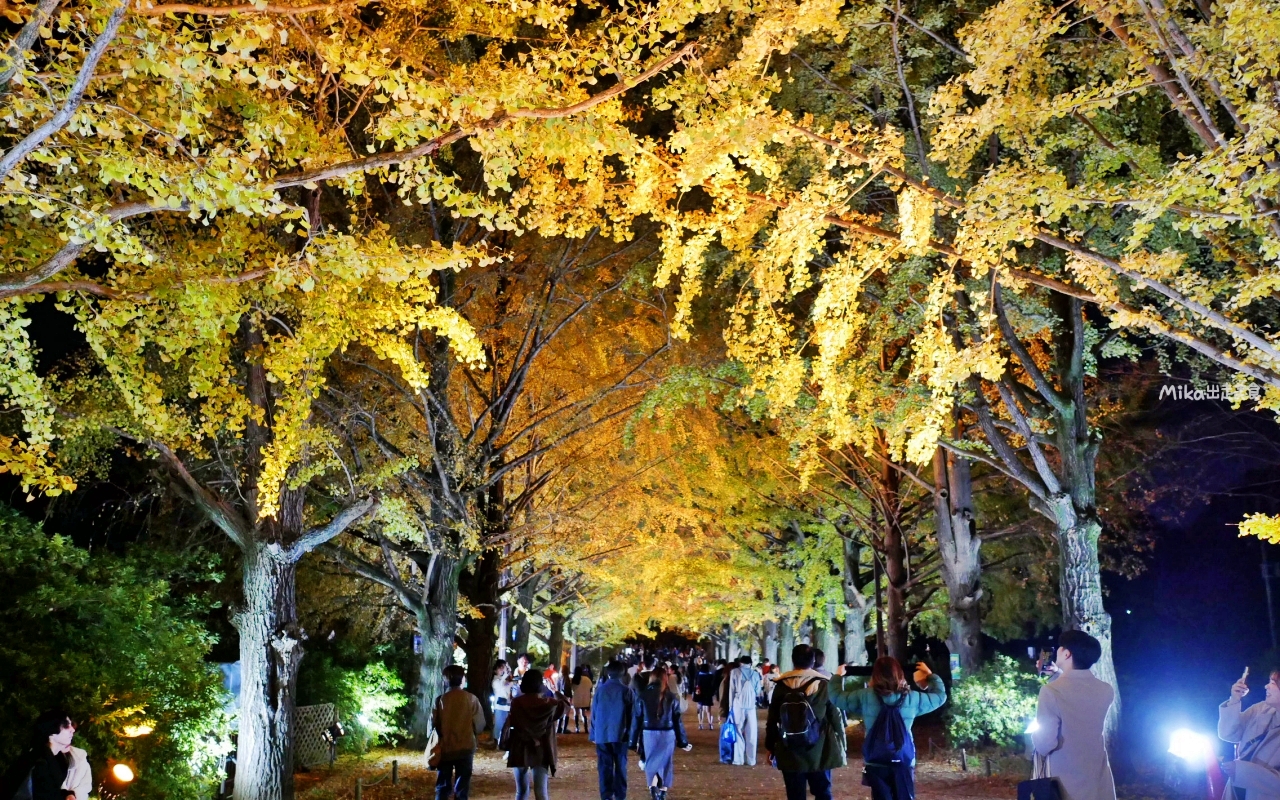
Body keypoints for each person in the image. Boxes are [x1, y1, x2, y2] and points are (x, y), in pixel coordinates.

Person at [830, 657, 945, 800]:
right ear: (899, 673)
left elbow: (837, 697)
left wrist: (837, 677)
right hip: (903, 759)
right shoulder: (912, 698)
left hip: (876, 759)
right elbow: (940, 697)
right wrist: (930, 676)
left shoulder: (865, 696)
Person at [1029, 630, 1116, 800]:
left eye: (1061, 648)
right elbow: (1079, 693)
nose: (1058, 651)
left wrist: (1034, 736)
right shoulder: (1106, 690)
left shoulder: (1050, 692)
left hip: (1064, 780)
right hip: (1097, 774)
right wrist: (1057, 675)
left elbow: (1045, 743)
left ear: (1067, 654)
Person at [765, 645, 847, 800]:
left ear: (793, 660)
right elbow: (835, 717)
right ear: (813, 660)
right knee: (823, 793)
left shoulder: (781, 685)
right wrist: (842, 744)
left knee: (795, 795)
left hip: (789, 748)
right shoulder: (824, 684)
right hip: (820, 749)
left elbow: (773, 719)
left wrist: (770, 746)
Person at [504, 670, 572, 800]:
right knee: (541, 791)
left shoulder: (517, 703)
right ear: (540, 685)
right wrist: (555, 690)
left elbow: (514, 722)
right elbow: (566, 706)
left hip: (520, 746)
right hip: (541, 747)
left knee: (521, 791)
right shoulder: (549, 704)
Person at [0, 710, 92, 800]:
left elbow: (49, 792)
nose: (72, 729)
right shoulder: (38, 764)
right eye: (66, 725)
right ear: (51, 732)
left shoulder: (55, 761)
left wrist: (66, 795)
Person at [631, 665, 691, 800]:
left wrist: (632, 741)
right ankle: (663, 791)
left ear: (651, 678)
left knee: (651, 760)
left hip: (648, 732)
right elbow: (677, 721)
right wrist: (683, 741)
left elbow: (636, 719)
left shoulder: (643, 695)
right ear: (665, 679)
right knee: (666, 762)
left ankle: (652, 787)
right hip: (668, 733)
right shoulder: (671, 696)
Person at [1220, 666, 1280, 797]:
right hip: (1236, 793)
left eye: (1273, 683)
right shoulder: (1260, 709)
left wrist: (1241, 771)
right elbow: (1228, 734)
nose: (1266, 686)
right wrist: (1234, 700)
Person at [433, 665, 486, 800]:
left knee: (443, 786)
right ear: (462, 679)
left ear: (445, 680)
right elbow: (480, 725)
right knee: (462, 787)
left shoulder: (440, 700)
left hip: (445, 748)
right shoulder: (471, 699)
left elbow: (431, 726)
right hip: (466, 747)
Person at [591, 661, 636, 800]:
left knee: (605, 767)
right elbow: (632, 715)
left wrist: (593, 733)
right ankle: (620, 795)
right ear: (623, 673)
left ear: (608, 673)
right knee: (621, 766)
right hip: (620, 734)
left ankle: (606, 795)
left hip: (602, 734)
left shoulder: (600, 690)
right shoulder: (626, 691)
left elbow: (594, 713)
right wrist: (632, 735)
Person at [726, 655, 764, 766]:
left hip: (738, 705)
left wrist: (730, 707)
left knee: (738, 731)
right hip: (751, 706)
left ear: (740, 663)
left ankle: (738, 759)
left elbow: (731, 690)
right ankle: (751, 760)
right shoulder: (755, 674)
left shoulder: (734, 672)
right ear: (750, 663)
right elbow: (758, 691)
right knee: (752, 733)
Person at [493, 660, 515, 749]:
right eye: (500, 668)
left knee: (507, 726)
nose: (502, 670)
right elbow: (501, 687)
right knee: (498, 725)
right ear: (495, 670)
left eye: (504, 667)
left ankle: (504, 742)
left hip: (507, 706)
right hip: (499, 706)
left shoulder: (506, 680)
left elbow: (509, 688)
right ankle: (495, 742)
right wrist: (506, 675)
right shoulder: (495, 681)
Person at [572, 665, 595, 734]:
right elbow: (591, 687)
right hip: (585, 698)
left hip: (577, 698)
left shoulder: (574, 679)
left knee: (576, 713)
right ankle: (585, 728)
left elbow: (572, 689)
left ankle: (577, 728)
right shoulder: (587, 679)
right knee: (584, 713)